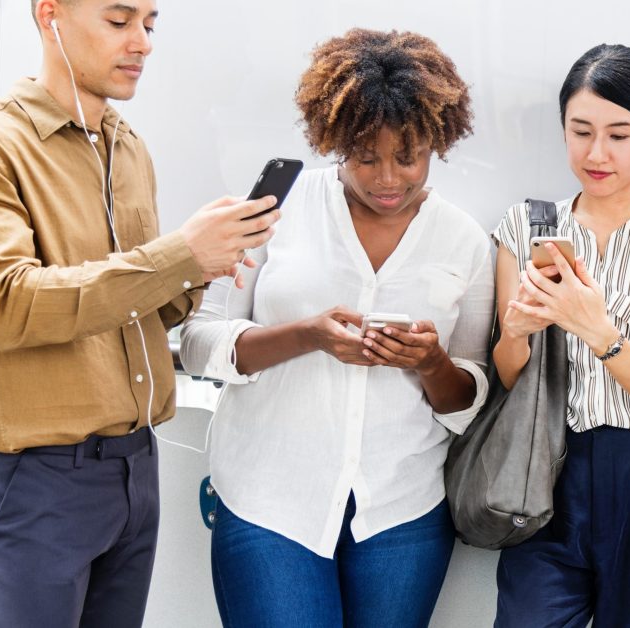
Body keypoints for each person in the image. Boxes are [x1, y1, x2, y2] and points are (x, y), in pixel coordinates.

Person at [179, 29, 493, 628]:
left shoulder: (464, 240)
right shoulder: (275, 213)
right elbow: (197, 343)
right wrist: (308, 336)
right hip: (268, 499)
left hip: (402, 513)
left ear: (439, 142)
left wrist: (430, 363)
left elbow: (467, 402)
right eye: (364, 156)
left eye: (409, 156)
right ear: (334, 139)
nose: (387, 179)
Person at [0, 1, 279, 625]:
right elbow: (6, 304)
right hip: (35, 480)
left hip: (135, 470)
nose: (142, 43)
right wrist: (177, 253)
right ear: (51, 16)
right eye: (119, 22)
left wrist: (195, 270)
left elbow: (132, 314)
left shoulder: (128, 147)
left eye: (150, 24)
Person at [490, 44, 630, 627]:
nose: (597, 153)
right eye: (580, 131)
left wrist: (596, 329)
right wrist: (514, 333)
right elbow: (511, 375)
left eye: (619, 134)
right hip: (544, 465)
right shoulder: (525, 227)